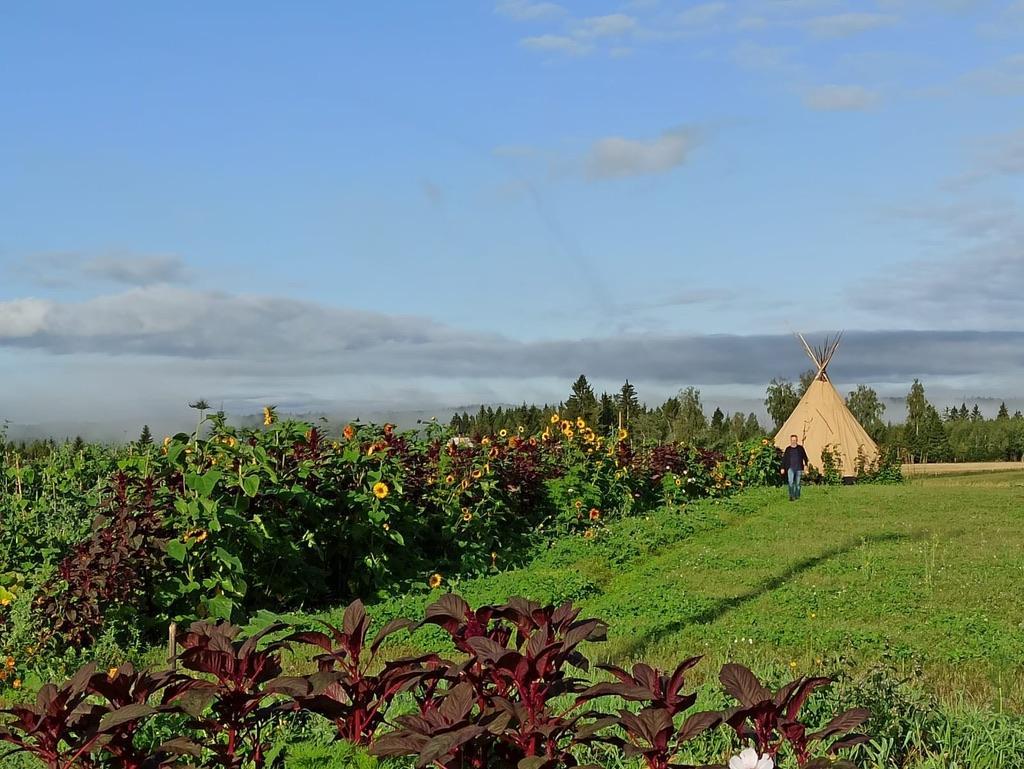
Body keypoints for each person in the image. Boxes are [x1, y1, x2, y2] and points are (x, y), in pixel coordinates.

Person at [780, 434, 809, 501]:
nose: (793, 441)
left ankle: (797, 496)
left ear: (797, 440)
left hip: (798, 468)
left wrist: (806, 465)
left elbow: (805, 457)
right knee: (790, 482)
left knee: (798, 483)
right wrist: (782, 468)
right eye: (792, 440)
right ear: (790, 440)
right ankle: (791, 496)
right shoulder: (788, 449)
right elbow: (784, 459)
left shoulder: (800, 448)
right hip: (790, 468)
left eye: (795, 440)